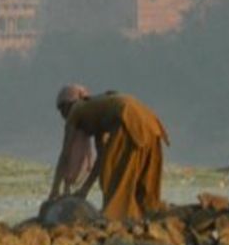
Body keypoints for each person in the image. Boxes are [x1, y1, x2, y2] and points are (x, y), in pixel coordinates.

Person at [46, 84, 169, 220]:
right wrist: (84, 189)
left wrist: (55, 190)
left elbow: (65, 154)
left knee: (111, 174)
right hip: (149, 121)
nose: (63, 116)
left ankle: (118, 217)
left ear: (67, 105)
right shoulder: (97, 109)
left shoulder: (76, 109)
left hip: (127, 118)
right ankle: (145, 213)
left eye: (61, 110)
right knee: (142, 175)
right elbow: (102, 157)